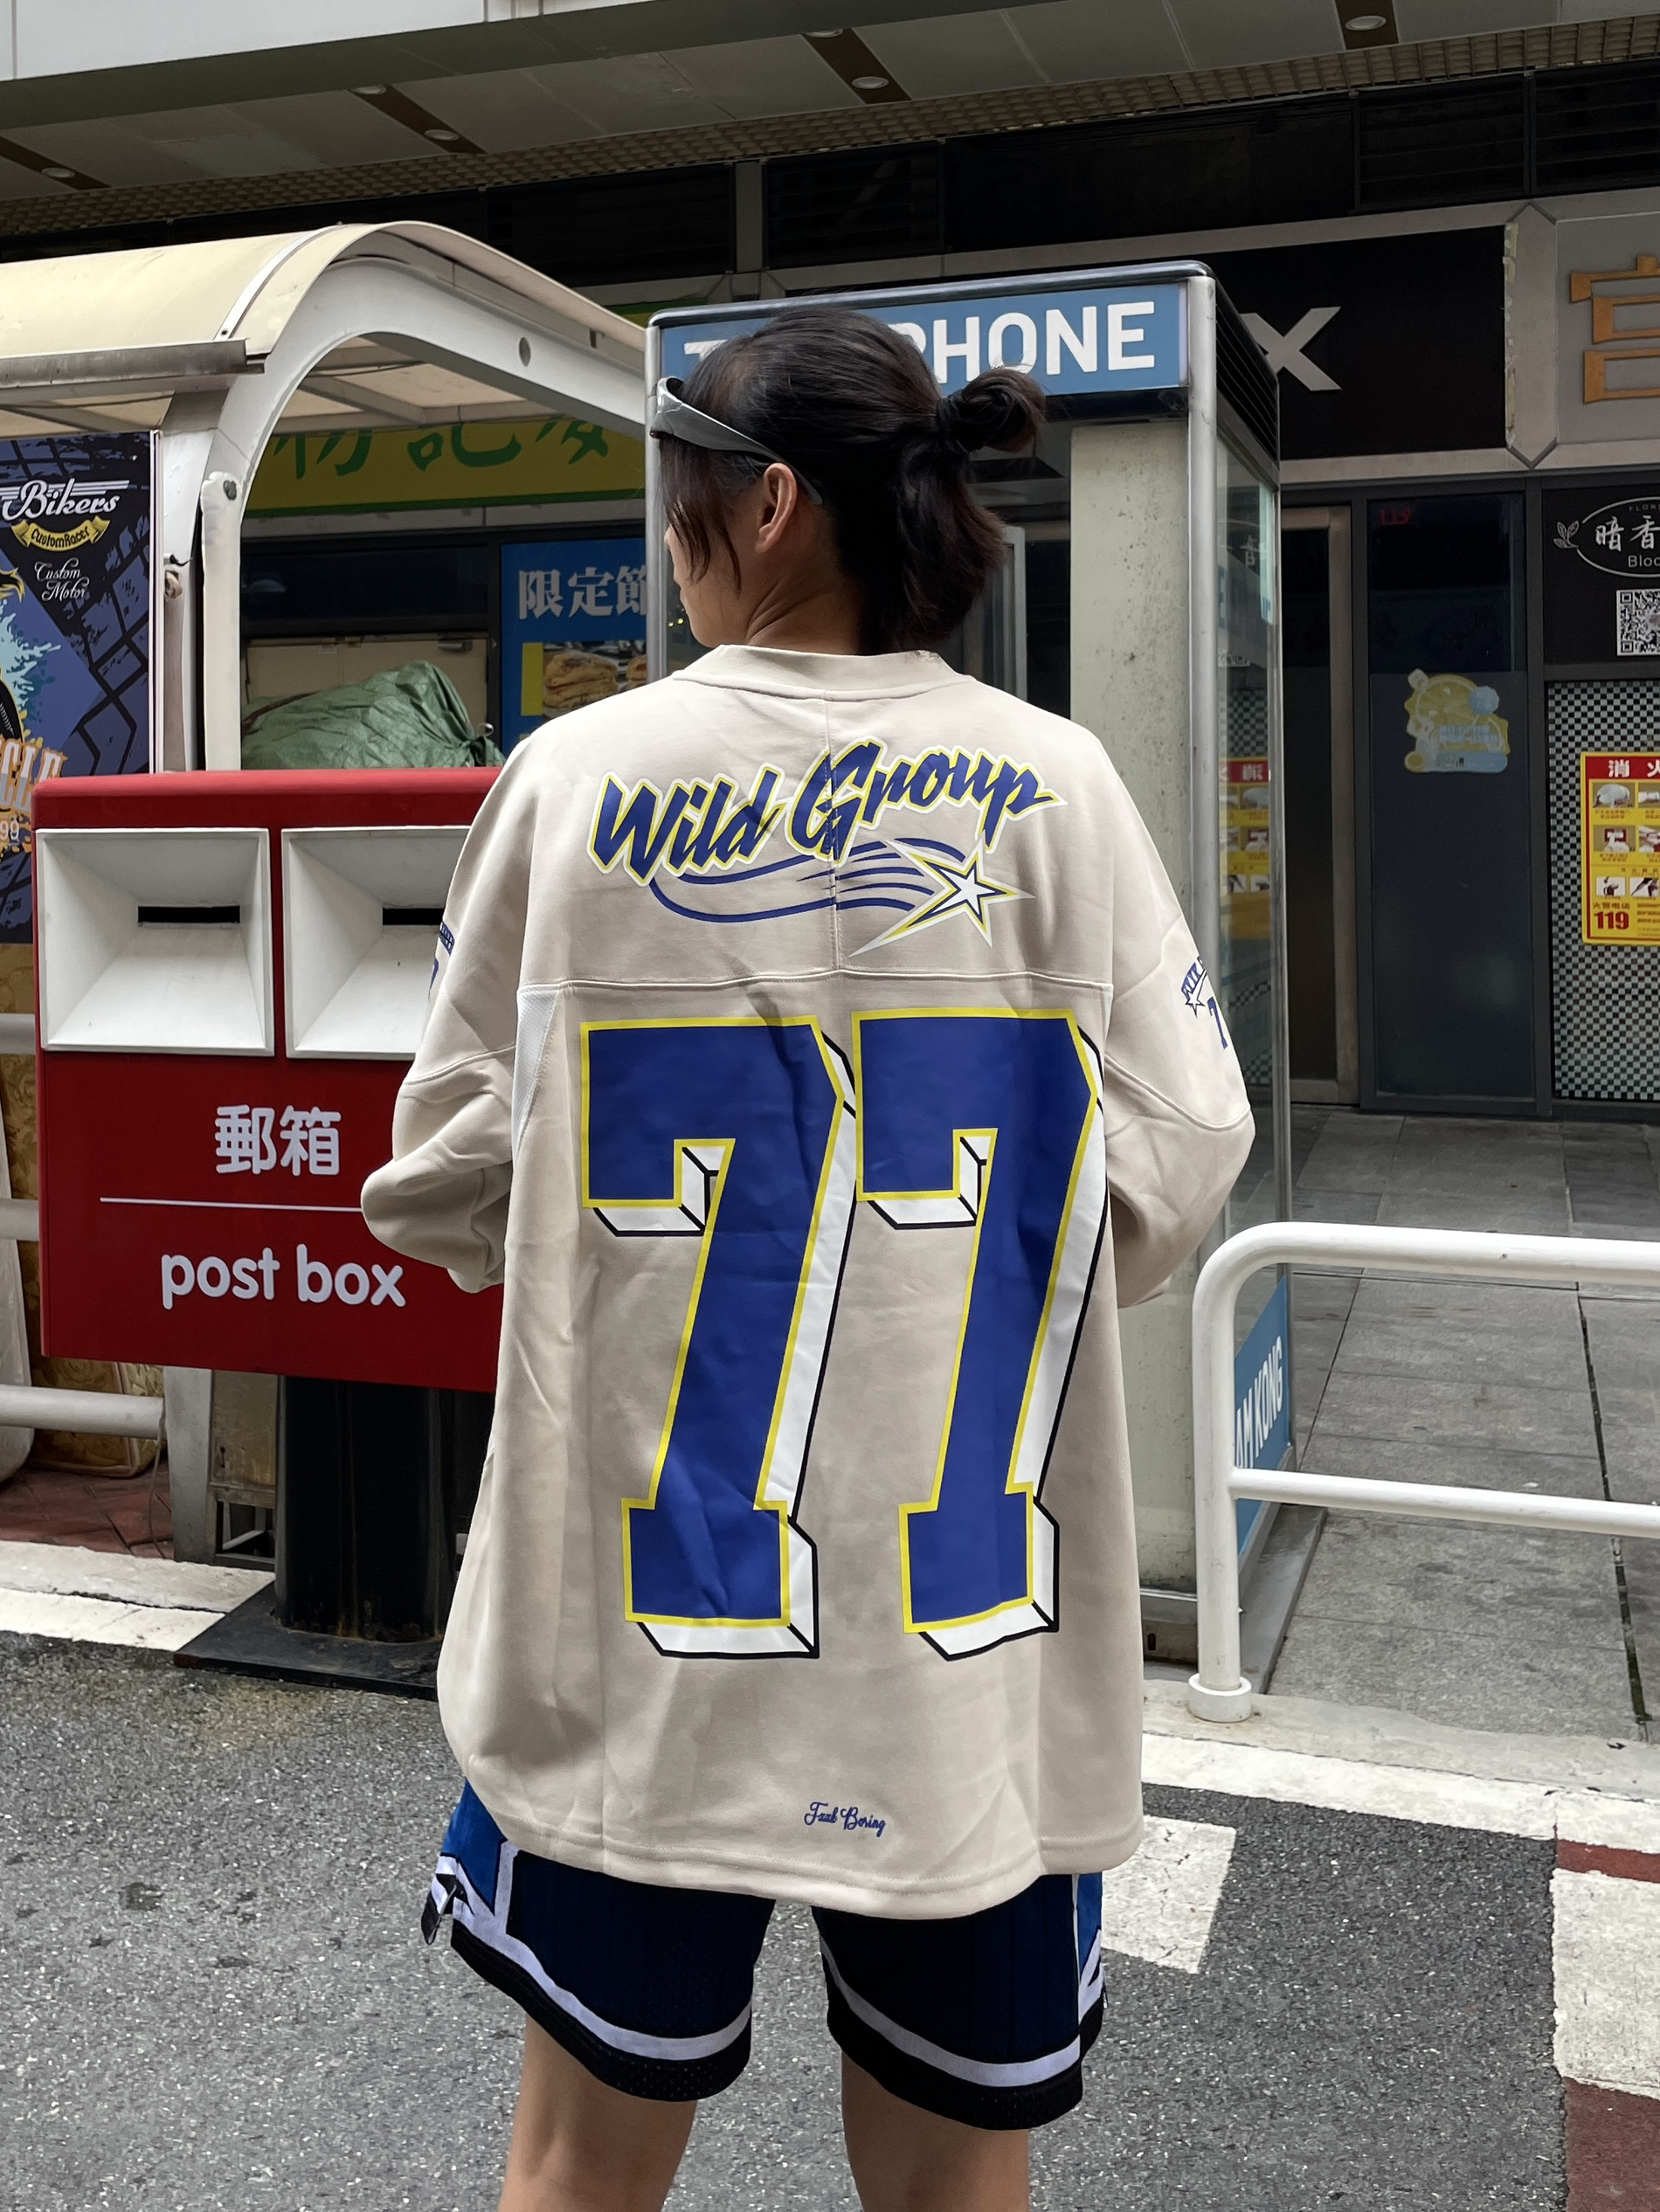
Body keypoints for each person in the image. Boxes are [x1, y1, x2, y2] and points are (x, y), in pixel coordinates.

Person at [362, 305, 1253, 2212]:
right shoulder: (1059, 786)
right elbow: (1180, 1165)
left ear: (766, 505)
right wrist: (961, 1264)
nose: (669, 534)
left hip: (640, 1632)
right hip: (963, 1649)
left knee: (575, 2170)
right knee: (950, 2187)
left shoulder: (576, 779)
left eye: (679, 494)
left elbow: (440, 1182)